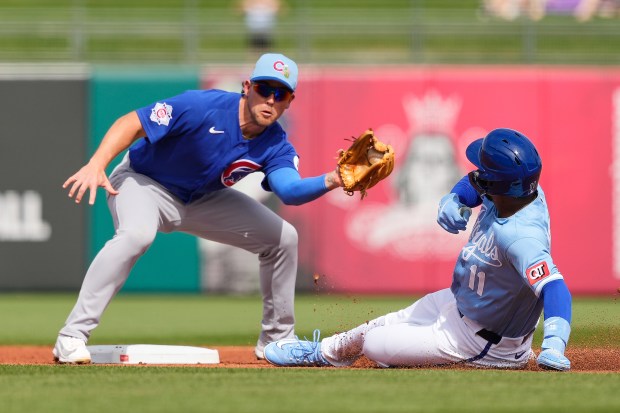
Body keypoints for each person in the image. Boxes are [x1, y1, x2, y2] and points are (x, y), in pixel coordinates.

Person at [53, 53, 345, 364]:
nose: (271, 100)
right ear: (248, 86)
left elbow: (290, 191)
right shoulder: (201, 106)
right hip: (144, 181)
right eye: (264, 88)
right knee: (136, 235)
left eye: (280, 93)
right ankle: (72, 335)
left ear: (289, 100)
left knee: (283, 238)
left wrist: (333, 179)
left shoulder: (276, 144)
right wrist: (97, 163)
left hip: (202, 198)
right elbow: (132, 123)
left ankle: (277, 340)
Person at [263, 128, 572, 371]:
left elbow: (553, 286)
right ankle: (322, 352)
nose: (477, 172)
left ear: (497, 184)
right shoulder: (518, 189)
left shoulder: (521, 237)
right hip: (458, 302)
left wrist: (554, 344)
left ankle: (509, 357)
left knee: (374, 343)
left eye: (484, 170)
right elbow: (475, 182)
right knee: (383, 323)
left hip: (481, 341)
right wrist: (457, 198)